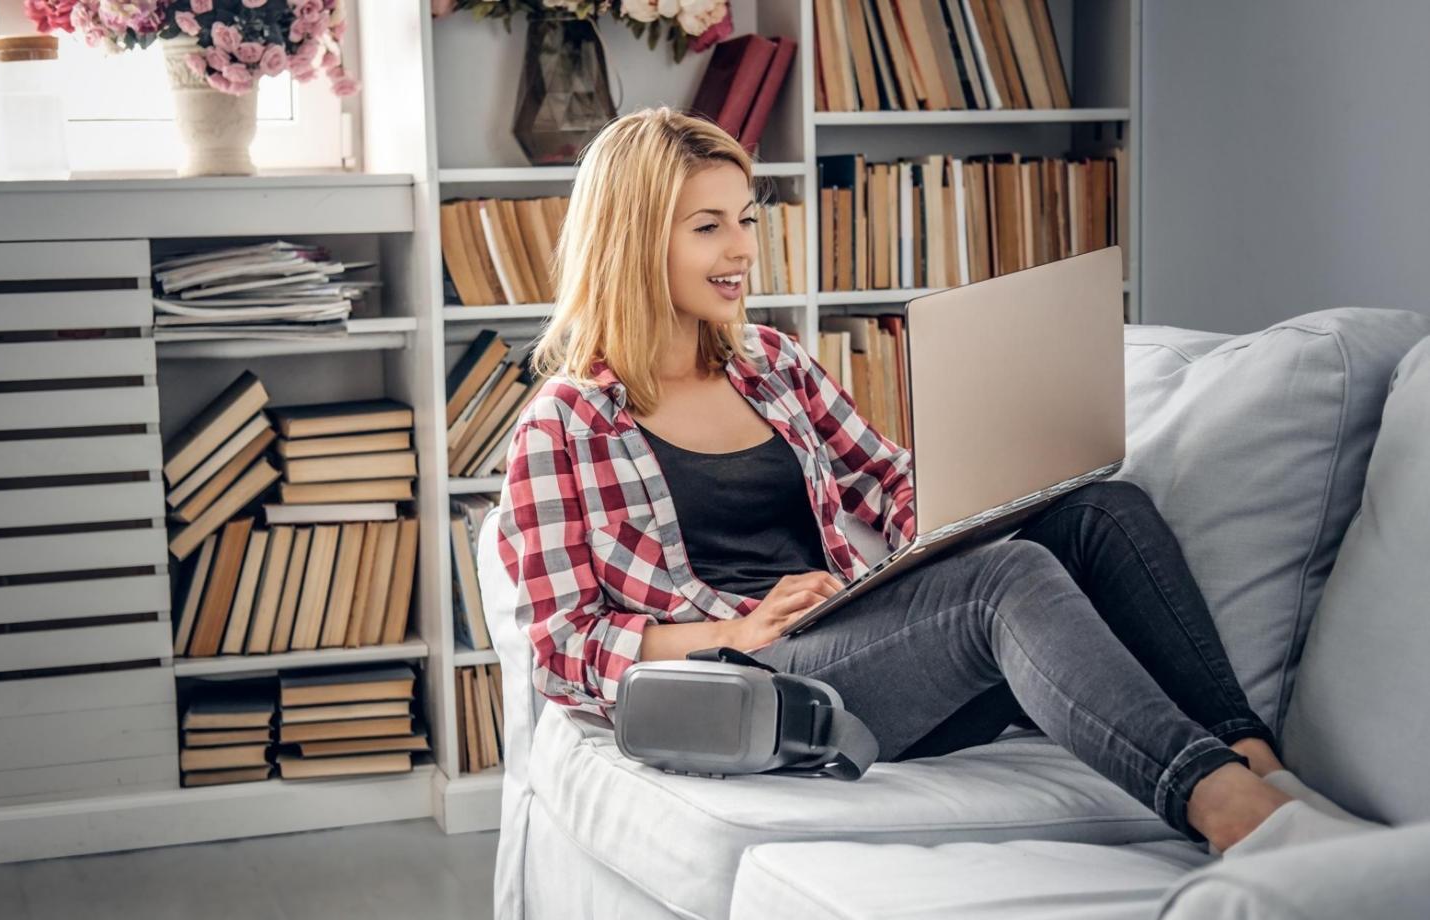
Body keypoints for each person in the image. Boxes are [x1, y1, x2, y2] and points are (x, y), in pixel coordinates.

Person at [494, 106, 1380, 857]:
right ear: (635, 240)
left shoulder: (771, 363)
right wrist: (734, 627)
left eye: (747, 218)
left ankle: (1256, 759)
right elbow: (562, 649)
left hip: (857, 629)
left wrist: (973, 508)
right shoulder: (563, 425)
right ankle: (1226, 809)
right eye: (709, 226)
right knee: (1007, 582)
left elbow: (888, 481)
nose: (743, 250)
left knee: (1101, 511)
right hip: (761, 683)